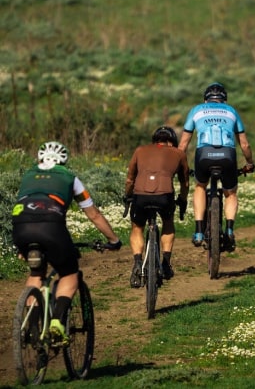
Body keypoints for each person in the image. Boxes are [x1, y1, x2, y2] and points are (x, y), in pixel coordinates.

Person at [12, 141, 122, 345]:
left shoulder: (28, 175)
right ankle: (56, 323)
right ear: (64, 161)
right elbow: (94, 215)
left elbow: (24, 204)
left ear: (39, 158)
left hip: (21, 225)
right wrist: (113, 240)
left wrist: (22, 247)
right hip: (51, 226)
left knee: (36, 274)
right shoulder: (71, 178)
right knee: (70, 273)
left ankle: (32, 328)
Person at [178, 82, 255, 251]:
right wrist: (249, 163)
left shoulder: (197, 110)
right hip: (228, 155)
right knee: (230, 192)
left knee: (200, 186)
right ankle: (229, 230)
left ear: (205, 100)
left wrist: (179, 165)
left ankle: (199, 232)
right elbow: (245, 145)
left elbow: (183, 145)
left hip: (203, 155)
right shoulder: (231, 111)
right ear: (224, 100)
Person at [124, 126, 189, 288]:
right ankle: (166, 263)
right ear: (172, 141)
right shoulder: (179, 153)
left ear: (154, 140)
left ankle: (137, 263)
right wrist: (182, 199)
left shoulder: (140, 150)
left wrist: (128, 196)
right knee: (168, 222)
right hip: (164, 196)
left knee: (137, 227)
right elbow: (185, 183)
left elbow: (130, 180)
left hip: (140, 196)